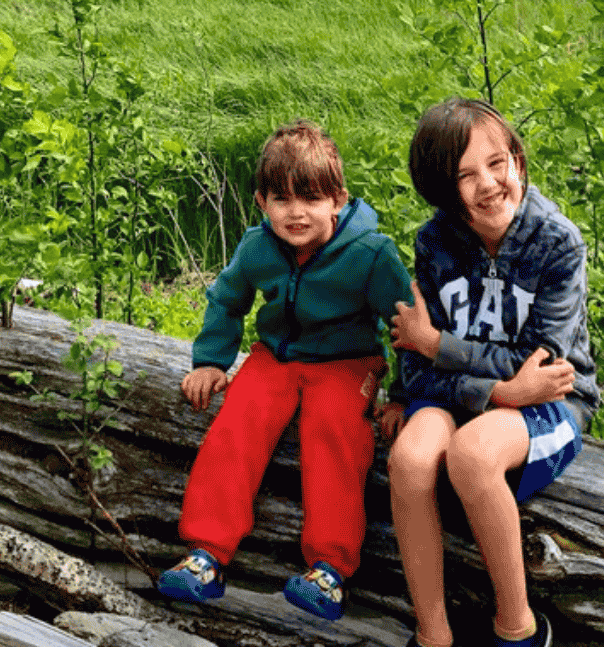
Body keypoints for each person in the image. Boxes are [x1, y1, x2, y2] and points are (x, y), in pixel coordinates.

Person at [156, 120, 413, 621]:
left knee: (336, 433)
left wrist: (405, 395)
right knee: (236, 425)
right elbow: (227, 300)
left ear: (338, 200)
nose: (296, 213)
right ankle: (206, 556)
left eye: (311, 199)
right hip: (275, 357)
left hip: (348, 363)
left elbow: (409, 327)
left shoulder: (371, 254)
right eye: (281, 199)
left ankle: (329, 569)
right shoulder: (258, 246)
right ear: (261, 202)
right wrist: (211, 360)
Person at [388, 98, 598, 647]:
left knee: (473, 454)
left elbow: (541, 367)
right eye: (465, 175)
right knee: (409, 461)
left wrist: (439, 345)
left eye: (497, 162)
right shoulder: (435, 244)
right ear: (442, 191)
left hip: (548, 403)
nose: (488, 184)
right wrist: (495, 388)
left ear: (518, 160)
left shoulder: (557, 243)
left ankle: (519, 629)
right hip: (476, 393)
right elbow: (412, 357)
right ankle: (433, 634)